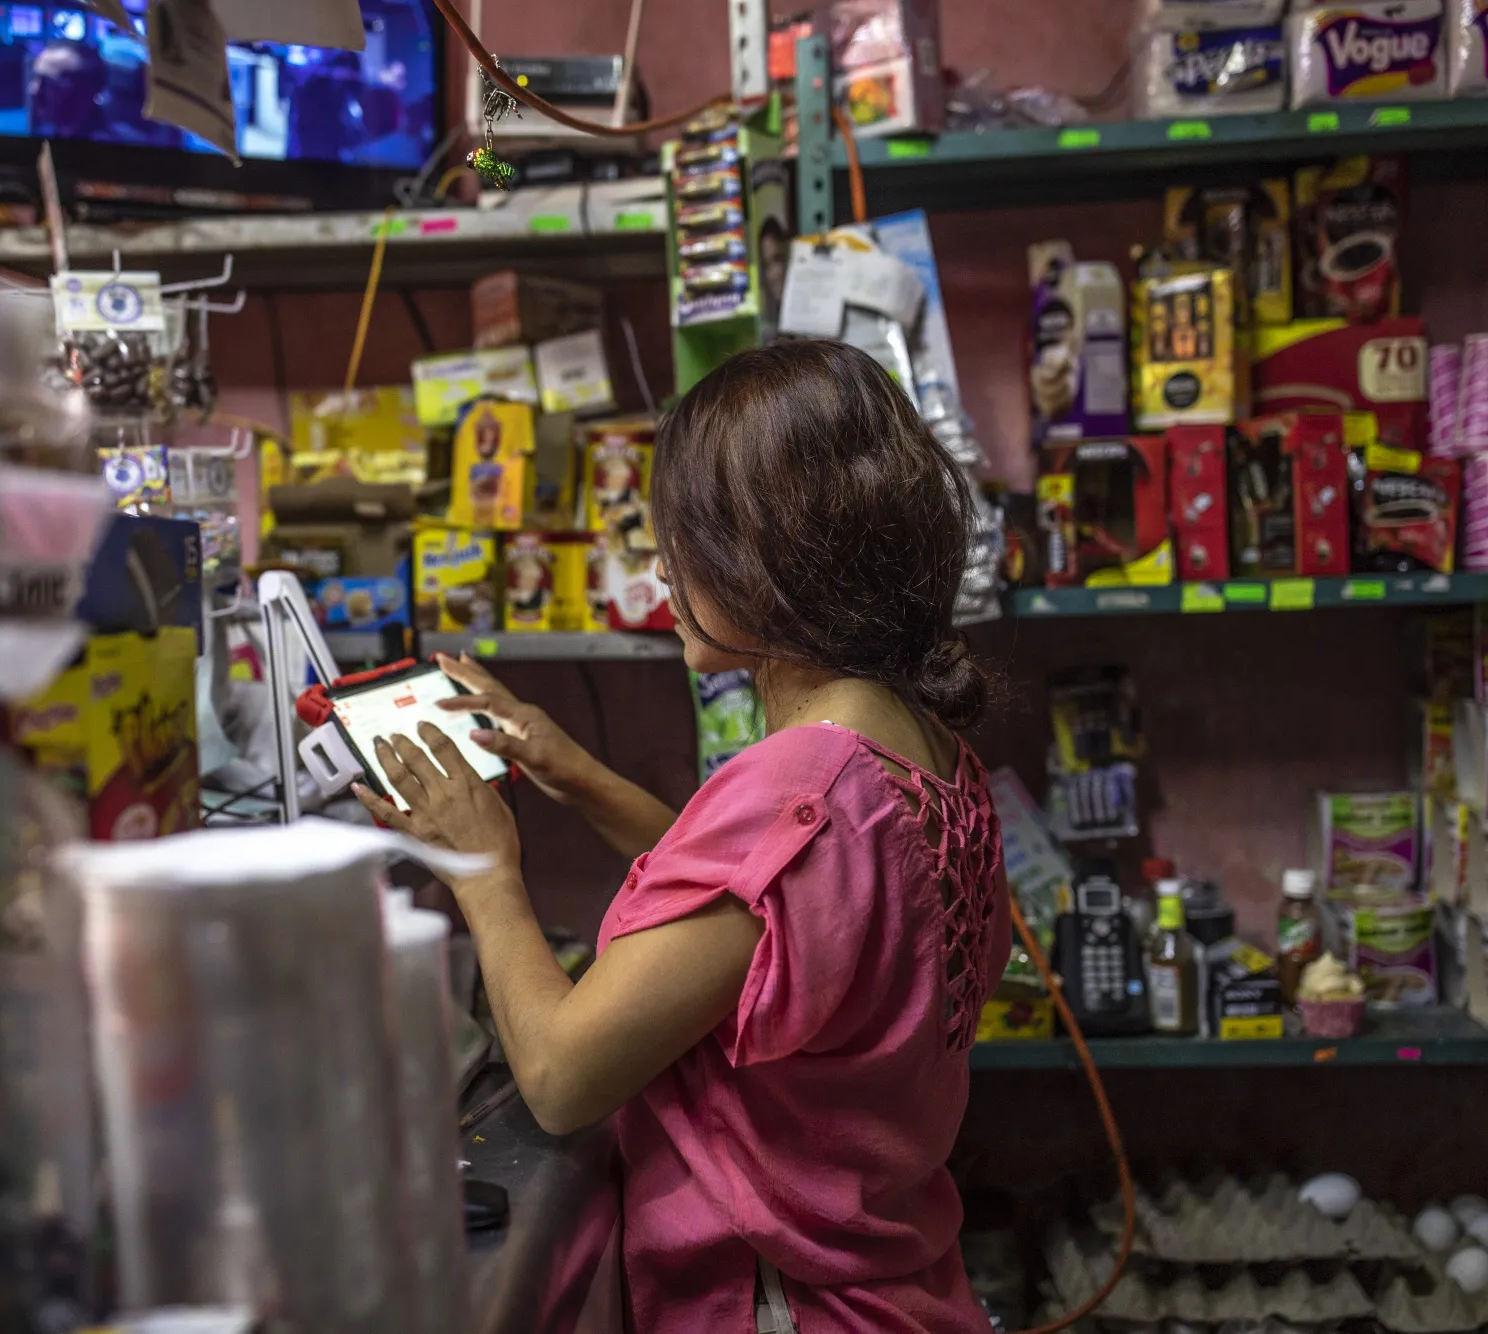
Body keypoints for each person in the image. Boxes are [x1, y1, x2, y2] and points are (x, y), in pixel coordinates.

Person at [354, 340, 1010, 1334]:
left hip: (776, 1302)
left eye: (682, 540)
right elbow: (768, 918)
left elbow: (564, 1075)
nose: (660, 567)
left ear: (769, 560)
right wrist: (577, 773)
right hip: (892, 1284)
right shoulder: (911, 744)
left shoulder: (794, 783)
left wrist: (479, 861)